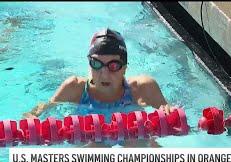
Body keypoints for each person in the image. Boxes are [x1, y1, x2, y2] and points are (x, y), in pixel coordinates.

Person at [24, 28, 175, 118]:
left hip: (133, 137)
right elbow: (40, 111)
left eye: (113, 65)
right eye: (96, 64)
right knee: (93, 146)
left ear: (125, 67)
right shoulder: (74, 88)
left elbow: (174, 118)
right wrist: (31, 117)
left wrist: (170, 114)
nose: (104, 73)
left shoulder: (143, 88)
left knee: (139, 143)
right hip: (92, 141)